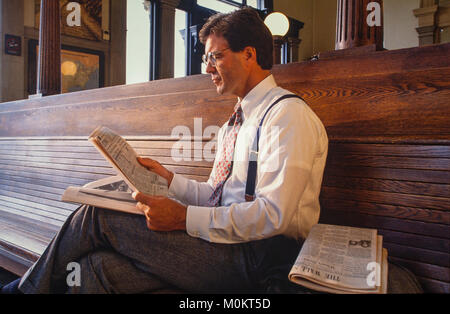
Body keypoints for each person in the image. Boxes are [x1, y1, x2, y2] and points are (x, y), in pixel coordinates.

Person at [0, 7, 327, 294]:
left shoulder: (286, 116)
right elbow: (218, 195)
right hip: (223, 246)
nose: (208, 68)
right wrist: (170, 180)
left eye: (215, 56)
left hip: (255, 260)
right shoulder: (235, 123)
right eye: (206, 58)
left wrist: (183, 217)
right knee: (92, 269)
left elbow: (275, 217)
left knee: (98, 216)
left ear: (249, 55)